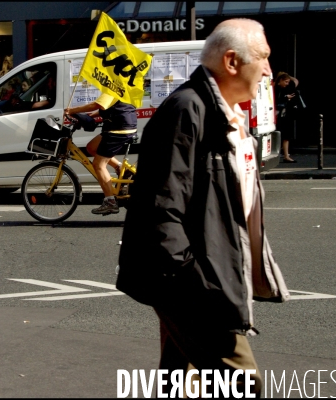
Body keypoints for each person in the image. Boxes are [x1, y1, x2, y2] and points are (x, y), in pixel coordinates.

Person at [116, 19, 290, 397]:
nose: (267, 70)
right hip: (196, 285)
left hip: (208, 276)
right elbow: (161, 211)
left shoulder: (229, 116)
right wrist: (198, 285)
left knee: (179, 382)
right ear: (231, 62)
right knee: (244, 384)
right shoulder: (187, 110)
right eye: (262, 58)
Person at [64, 93, 137, 215]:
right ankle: (120, 167)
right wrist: (95, 114)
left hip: (118, 129)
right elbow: (111, 105)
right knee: (91, 147)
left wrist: (72, 110)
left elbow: (97, 104)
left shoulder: (112, 87)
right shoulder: (121, 85)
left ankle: (110, 202)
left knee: (98, 165)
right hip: (122, 125)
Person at [275, 72, 301, 163]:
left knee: (285, 136)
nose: (287, 84)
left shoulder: (284, 88)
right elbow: (277, 100)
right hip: (279, 116)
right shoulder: (276, 89)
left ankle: (286, 155)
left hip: (284, 115)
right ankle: (283, 155)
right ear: (280, 80)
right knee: (281, 135)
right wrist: (286, 98)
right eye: (285, 81)